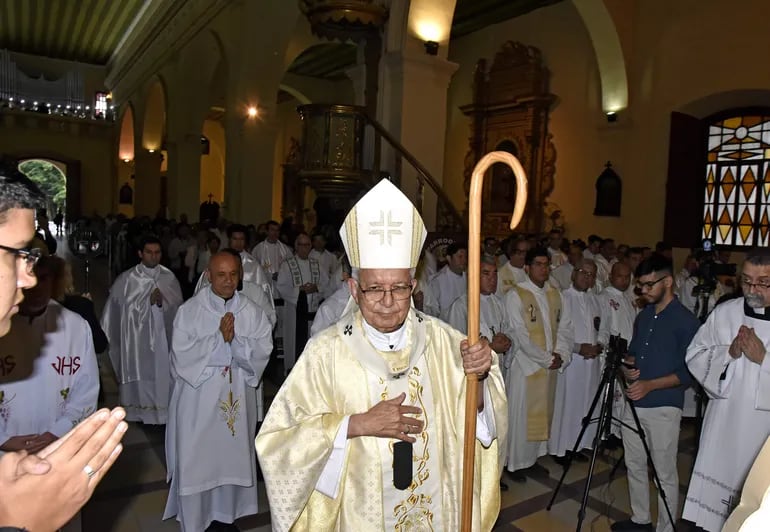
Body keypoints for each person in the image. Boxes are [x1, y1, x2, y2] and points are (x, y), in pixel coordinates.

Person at [256, 179, 507, 531]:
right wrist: (356, 425)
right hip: (362, 516)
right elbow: (279, 441)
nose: (388, 302)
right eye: (375, 289)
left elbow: (477, 427)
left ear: (413, 286)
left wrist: (479, 379)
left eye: (399, 288)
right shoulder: (326, 352)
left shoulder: (448, 343)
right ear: (354, 289)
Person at [0, 168, 127, 531]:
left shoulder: (73, 325)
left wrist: (55, 434)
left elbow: (87, 389)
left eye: (36, 269)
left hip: (55, 448)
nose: (28, 281)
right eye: (17, 257)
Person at [164, 251, 273, 532]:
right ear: (209, 275)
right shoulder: (190, 311)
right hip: (197, 406)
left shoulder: (252, 311)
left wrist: (234, 342)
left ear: (240, 277)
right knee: (198, 463)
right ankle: (196, 521)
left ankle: (226, 518)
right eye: (221, 275)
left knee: (229, 462)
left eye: (233, 275)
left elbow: (263, 351)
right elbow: (181, 357)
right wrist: (218, 340)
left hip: (235, 405)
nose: (227, 281)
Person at [682, 248, 770, 532]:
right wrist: (728, 353)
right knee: (712, 516)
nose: (752, 289)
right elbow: (695, 354)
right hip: (723, 424)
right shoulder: (725, 312)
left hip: (762, 432)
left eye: (762, 282)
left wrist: (764, 360)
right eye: (746, 281)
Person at [612, 256, 700, 532]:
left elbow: (689, 372)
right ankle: (641, 518)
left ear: (668, 282)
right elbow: (635, 355)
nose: (644, 291)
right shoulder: (644, 316)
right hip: (634, 402)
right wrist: (628, 370)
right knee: (634, 463)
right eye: (640, 286)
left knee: (664, 473)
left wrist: (650, 385)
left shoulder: (686, 322)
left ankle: (666, 527)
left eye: (649, 285)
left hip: (664, 406)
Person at [503, 247, 573, 481]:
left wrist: (562, 353)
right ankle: (514, 463)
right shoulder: (516, 295)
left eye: (546, 265)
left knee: (542, 416)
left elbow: (565, 328)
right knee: (522, 417)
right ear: (527, 267)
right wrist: (546, 359)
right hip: (527, 367)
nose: (544, 269)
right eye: (538, 264)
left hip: (549, 365)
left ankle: (531, 460)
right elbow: (520, 335)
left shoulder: (556, 294)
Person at [102, 236, 183, 424]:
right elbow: (116, 311)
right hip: (136, 342)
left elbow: (179, 310)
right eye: (149, 252)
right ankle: (137, 411)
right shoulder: (127, 279)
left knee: (162, 373)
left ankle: (162, 413)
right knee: (140, 372)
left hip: (163, 338)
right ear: (140, 253)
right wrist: (146, 302)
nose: (154, 257)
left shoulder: (169, 277)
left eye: (157, 252)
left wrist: (163, 302)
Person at [549, 258, 603, 462]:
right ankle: (561, 448)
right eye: (583, 272)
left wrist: (600, 345)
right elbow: (558, 334)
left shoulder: (595, 300)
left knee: (586, 403)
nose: (586, 277)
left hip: (592, 362)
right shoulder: (563, 298)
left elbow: (603, 328)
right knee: (568, 404)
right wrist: (579, 348)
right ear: (573, 274)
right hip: (572, 361)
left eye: (591, 274)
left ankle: (579, 444)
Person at [275, 233, 328, 371]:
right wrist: (300, 290)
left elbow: (327, 284)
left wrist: (316, 288)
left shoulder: (316, 265)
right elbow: (281, 286)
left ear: (311, 247)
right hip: (294, 313)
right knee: (295, 344)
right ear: (296, 246)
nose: (304, 248)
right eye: (301, 245)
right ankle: (293, 371)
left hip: (313, 313)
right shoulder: (287, 265)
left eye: (307, 245)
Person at [597, 261, 637, 440]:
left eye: (627, 277)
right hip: (612, 353)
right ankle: (608, 433)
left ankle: (619, 432)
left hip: (628, 354)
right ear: (611, 276)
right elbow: (604, 327)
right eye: (620, 276)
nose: (624, 280)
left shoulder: (628, 298)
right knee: (611, 395)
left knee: (623, 397)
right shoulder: (604, 297)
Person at [428, 241, 468, 320]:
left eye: (465, 257)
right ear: (449, 258)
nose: (464, 261)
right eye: (460, 257)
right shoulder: (437, 281)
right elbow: (432, 311)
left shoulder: (470, 278)